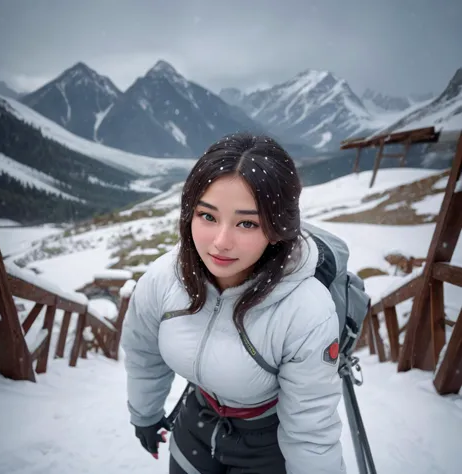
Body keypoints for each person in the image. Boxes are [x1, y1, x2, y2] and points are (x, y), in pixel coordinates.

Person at [120, 132, 346, 474]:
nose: (221, 242)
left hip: (269, 440)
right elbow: (143, 353)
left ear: (276, 228)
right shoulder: (164, 278)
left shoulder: (306, 311)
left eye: (247, 223)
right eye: (208, 216)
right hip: (196, 420)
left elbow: (311, 433)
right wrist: (145, 415)